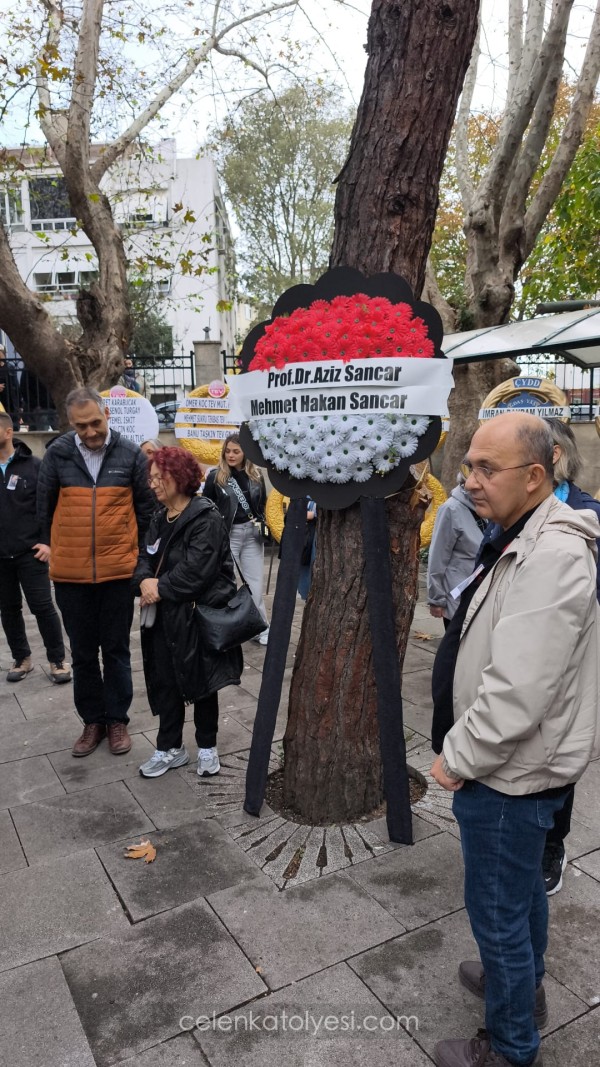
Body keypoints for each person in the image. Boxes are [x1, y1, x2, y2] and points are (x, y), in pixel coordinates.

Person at [430, 413, 599, 1067]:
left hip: (508, 771)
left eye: (485, 468)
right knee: (522, 891)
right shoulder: (524, 532)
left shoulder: (551, 555)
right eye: (469, 465)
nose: (469, 480)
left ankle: (510, 1047)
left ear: (534, 475)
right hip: (516, 765)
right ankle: (522, 987)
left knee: (497, 910)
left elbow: (518, 689)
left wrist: (460, 755)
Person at [37, 387, 155, 757]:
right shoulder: (57, 453)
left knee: (117, 650)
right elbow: (44, 509)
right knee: (83, 653)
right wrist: (50, 549)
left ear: (106, 414)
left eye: (94, 423)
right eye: (80, 426)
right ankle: (93, 721)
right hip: (70, 577)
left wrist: (141, 565)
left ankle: (117, 720)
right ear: (70, 424)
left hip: (117, 574)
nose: (89, 432)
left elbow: (147, 513)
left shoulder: (130, 453)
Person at [134, 447, 242, 779]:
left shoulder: (205, 517)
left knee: (203, 683)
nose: (152, 484)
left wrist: (157, 588)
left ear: (179, 478)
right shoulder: (159, 515)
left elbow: (197, 571)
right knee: (166, 682)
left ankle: (207, 746)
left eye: (159, 478)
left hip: (197, 618)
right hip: (164, 619)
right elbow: (144, 556)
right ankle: (170, 748)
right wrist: (143, 581)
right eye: (151, 478)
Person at [0, 412, 71, 684]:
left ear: (8, 432)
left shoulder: (33, 466)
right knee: (8, 609)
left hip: (31, 553)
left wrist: (48, 542)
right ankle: (22, 659)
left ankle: (58, 660)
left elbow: (49, 507)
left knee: (42, 607)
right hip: (1, 556)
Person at [203, 434, 269, 644]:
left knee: (255, 583)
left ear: (245, 453)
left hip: (252, 534)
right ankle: (230, 628)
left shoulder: (256, 475)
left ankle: (261, 628)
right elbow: (206, 507)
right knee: (227, 583)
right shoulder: (216, 477)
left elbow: (263, 506)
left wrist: (265, 529)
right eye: (227, 451)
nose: (230, 455)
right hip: (227, 535)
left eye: (236, 451)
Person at [427, 472, 488, 628]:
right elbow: (437, 557)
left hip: (482, 594)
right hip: (458, 597)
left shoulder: (488, 507)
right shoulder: (450, 509)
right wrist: (436, 599)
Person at [0, 345, 22, 429]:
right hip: (1, 405)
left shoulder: (10, 367)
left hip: (12, 405)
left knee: (14, 428)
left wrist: (20, 405)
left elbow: (16, 386)